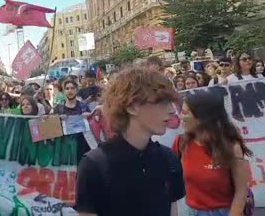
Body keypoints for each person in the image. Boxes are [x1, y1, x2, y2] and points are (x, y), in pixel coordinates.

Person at [75, 67, 184, 216]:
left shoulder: (169, 159)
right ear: (132, 106)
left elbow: (173, 211)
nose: (172, 110)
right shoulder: (94, 164)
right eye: (163, 102)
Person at [172, 93, 252, 216]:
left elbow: (241, 191)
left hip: (225, 212)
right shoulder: (181, 143)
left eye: (185, 113)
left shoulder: (231, 147)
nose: (180, 117)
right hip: (191, 212)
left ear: (202, 117)